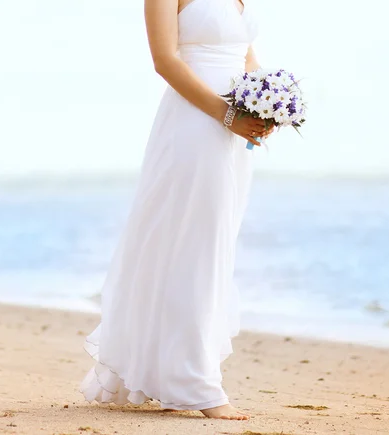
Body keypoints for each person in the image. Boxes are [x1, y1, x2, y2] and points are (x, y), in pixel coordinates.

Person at [80, 0, 273, 420]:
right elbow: (165, 61)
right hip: (196, 123)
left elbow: (245, 51)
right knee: (192, 246)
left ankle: (168, 373)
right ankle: (196, 385)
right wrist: (227, 115)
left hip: (236, 127)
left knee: (213, 244)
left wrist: (268, 104)